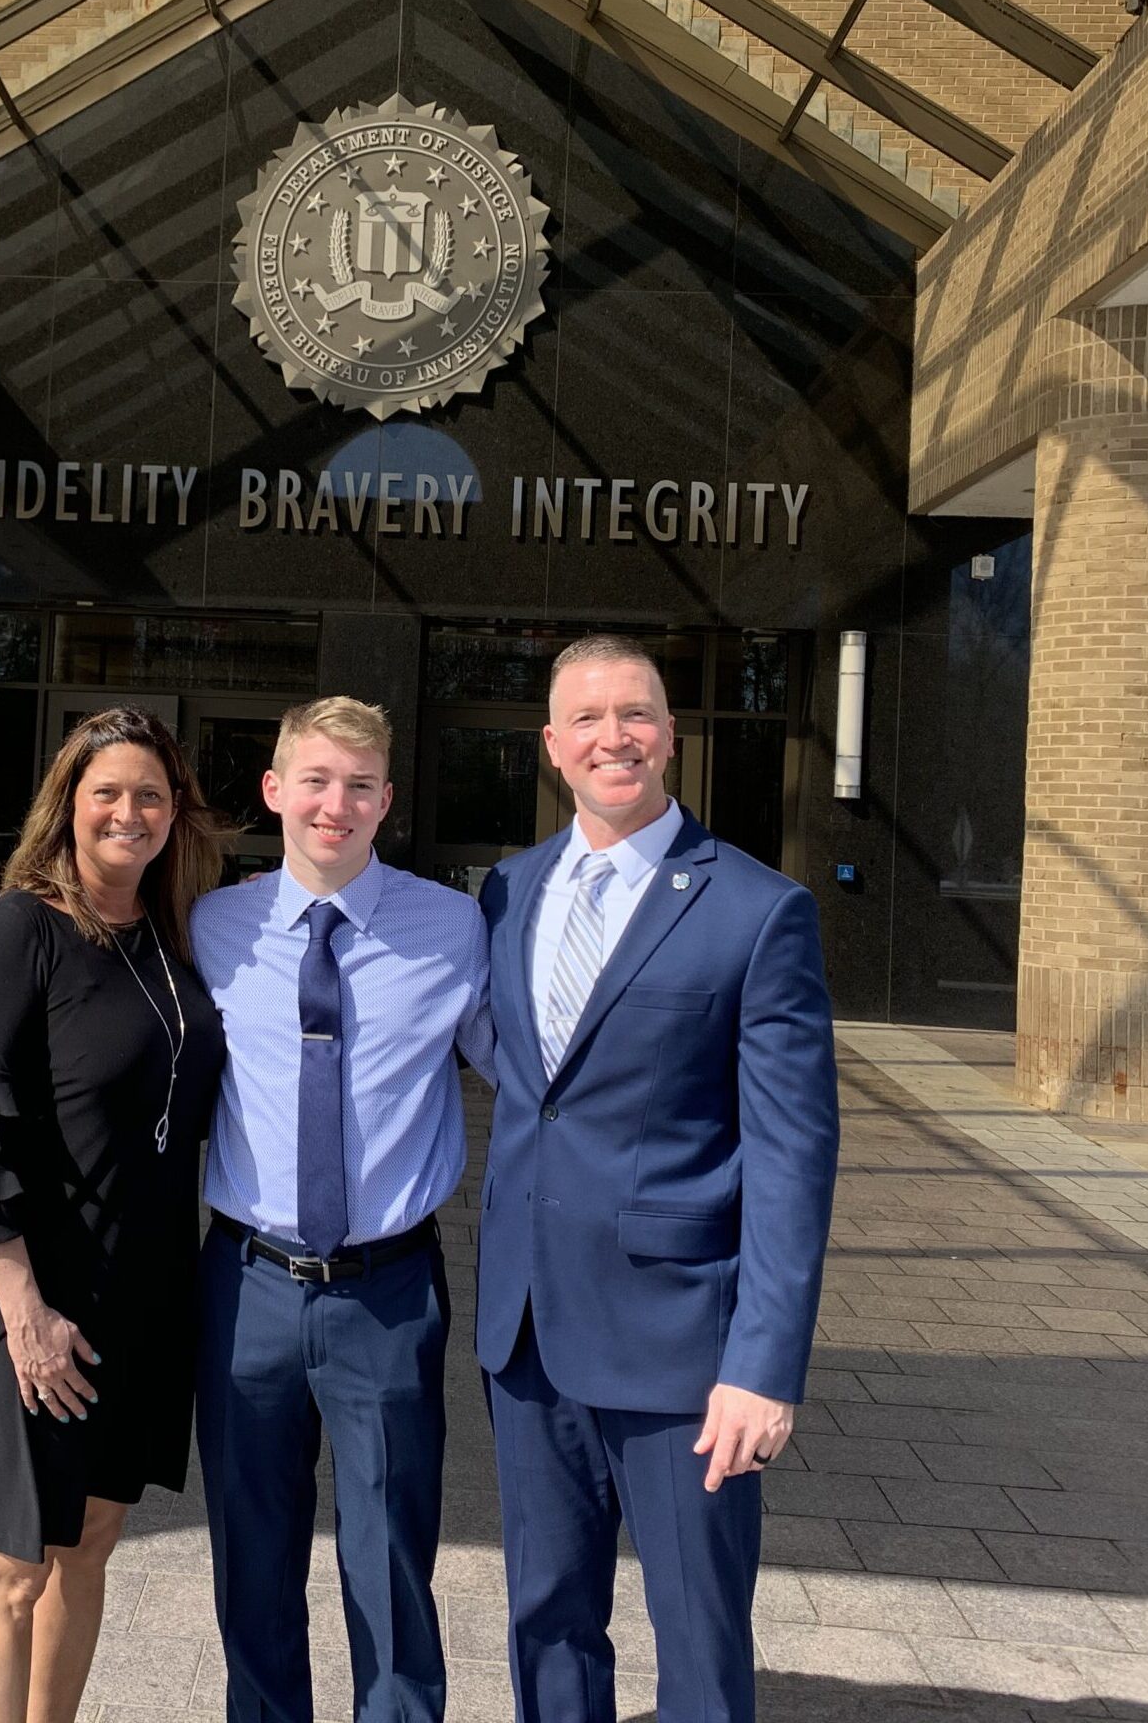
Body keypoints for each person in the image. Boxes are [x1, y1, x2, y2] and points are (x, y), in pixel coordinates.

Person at [476, 634, 839, 1723]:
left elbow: (791, 1153)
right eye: (586, 719)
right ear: (552, 746)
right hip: (530, 1336)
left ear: (671, 735)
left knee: (699, 1635)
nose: (613, 736)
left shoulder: (756, 910)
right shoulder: (507, 891)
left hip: (683, 1352)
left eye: (634, 713)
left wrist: (764, 1367)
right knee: (546, 1619)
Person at [0, 706, 229, 1723]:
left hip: (144, 1291)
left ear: (175, 813)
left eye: (150, 795)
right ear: (69, 805)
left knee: (87, 1542)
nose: (128, 813)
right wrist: (24, 1310)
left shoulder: (171, 939)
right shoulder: (18, 931)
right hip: (40, 1293)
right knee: (12, 1560)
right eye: (108, 794)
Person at [191, 695, 493, 1723]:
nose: (336, 804)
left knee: (393, 1555)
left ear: (388, 802)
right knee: (253, 1555)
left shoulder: (453, 928)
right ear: (276, 791)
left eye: (359, 785)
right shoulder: (214, 926)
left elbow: (535, 1074)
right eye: (315, 780)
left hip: (389, 1292)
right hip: (247, 1286)